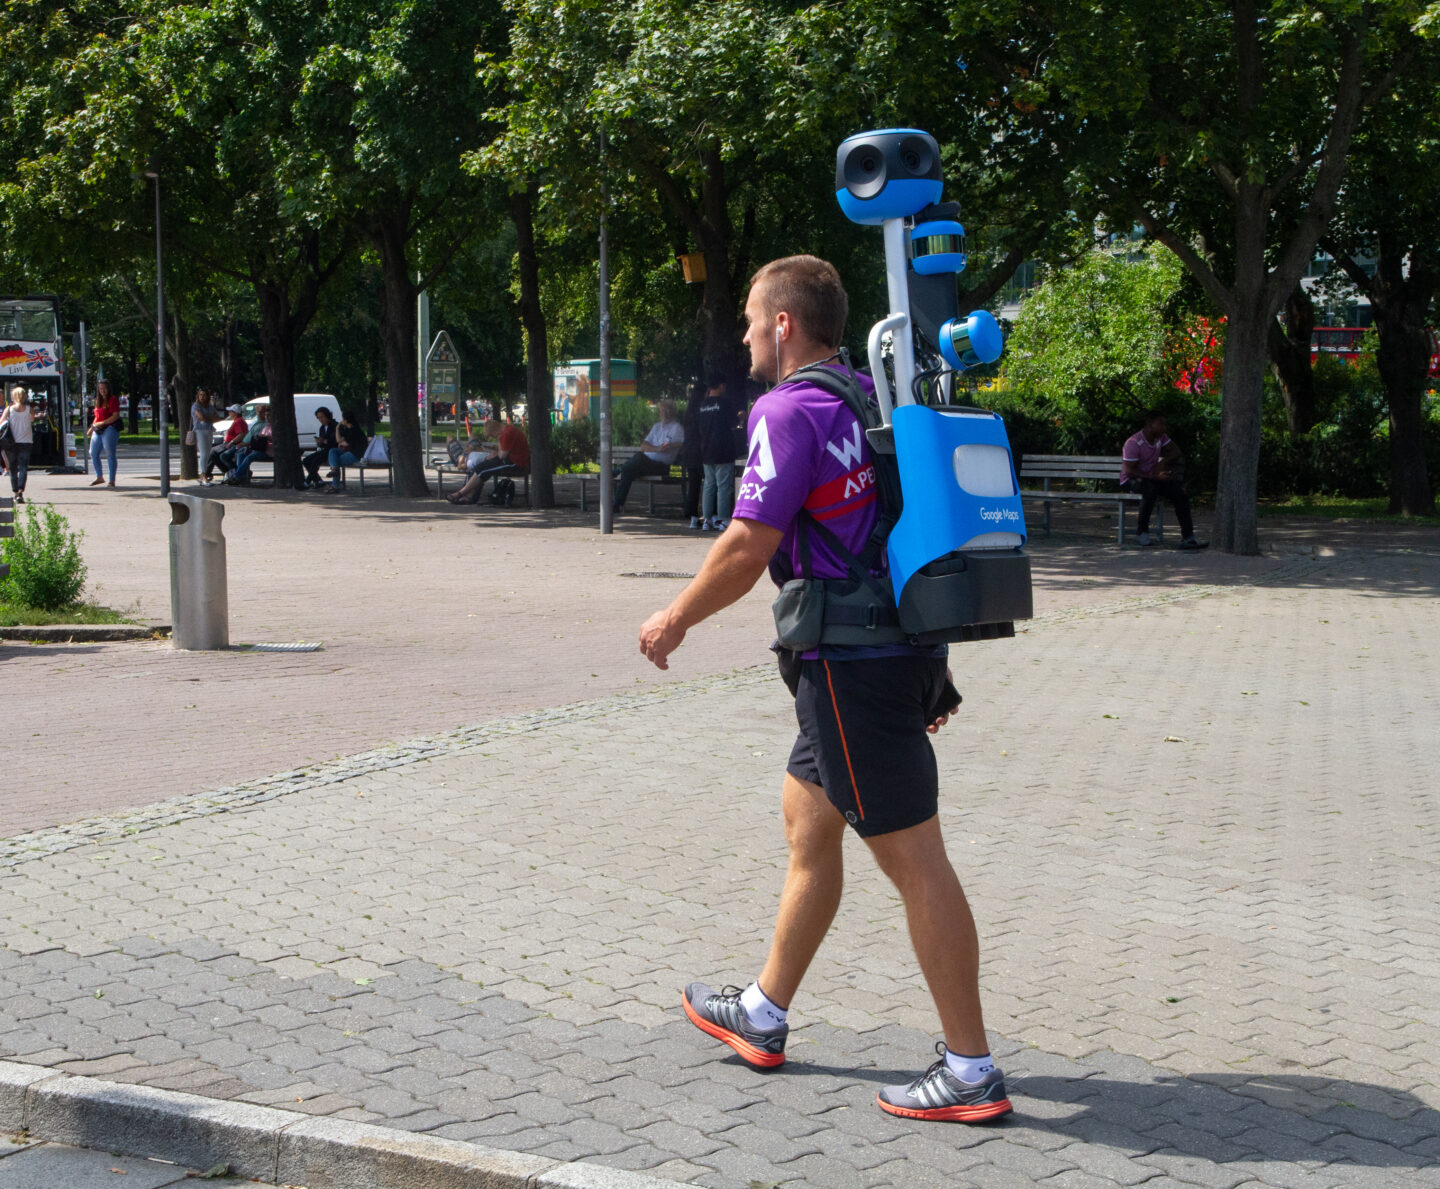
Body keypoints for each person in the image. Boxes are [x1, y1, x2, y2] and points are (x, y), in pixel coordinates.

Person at [638, 255, 1012, 1124]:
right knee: (808, 822)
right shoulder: (876, 398)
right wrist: (930, 662)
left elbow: (748, 543)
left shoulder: (787, 410)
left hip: (850, 668)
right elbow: (892, 526)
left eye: (749, 320)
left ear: (784, 325)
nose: (743, 337)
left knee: (916, 861)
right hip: (887, 652)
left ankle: (971, 1069)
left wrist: (675, 617)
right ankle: (763, 1012)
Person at [1120, 410, 1207, 549]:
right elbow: (1129, 471)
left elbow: (1176, 451)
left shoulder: (1161, 438)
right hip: (1131, 480)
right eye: (1161, 424)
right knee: (1150, 491)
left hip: (1152, 478)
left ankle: (1188, 537)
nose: (1164, 428)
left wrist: (1162, 463)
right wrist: (1153, 476)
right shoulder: (1134, 442)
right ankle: (1142, 531)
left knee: (1179, 493)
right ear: (1150, 424)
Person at [613, 398, 683, 514]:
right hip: (646, 463)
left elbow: (679, 444)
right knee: (628, 471)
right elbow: (644, 445)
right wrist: (657, 448)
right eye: (662, 410)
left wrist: (666, 446)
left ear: (671, 412)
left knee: (635, 462)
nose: (663, 413)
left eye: (666, 411)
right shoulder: (656, 426)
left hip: (662, 466)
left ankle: (618, 472)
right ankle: (616, 504)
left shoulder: (677, 428)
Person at [447, 417, 530, 504]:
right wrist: (496, 449)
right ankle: (468, 496)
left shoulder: (506, 434)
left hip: (516, 463)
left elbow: (501, 456)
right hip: (511, 460)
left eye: (492, 435)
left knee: (483, 470)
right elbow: (504, 452)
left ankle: (461, 493)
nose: (494, 437)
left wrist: (498, 444)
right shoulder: (508, 430)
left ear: (494, 430)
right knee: (481, 467)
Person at [695, 378, 741, 531]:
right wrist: (741, 417)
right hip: (723, 449)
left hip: (706, 449)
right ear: (721, 385)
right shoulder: (724, 403)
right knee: (723, 486)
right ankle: (722, 519)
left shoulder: (703, 404)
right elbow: (733, 424)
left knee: (708, 485)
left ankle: (707, 519)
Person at [0, 386, 34, 504]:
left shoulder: (9, 410)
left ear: (14, 396)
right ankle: (20, 491)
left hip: (11, 443)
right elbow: (32, 420)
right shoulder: (30, 409)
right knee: (23, 467)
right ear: (24, 397)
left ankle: (15, 492)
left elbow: (1, 423)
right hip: (26, 442)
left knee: (13, 468)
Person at [223, 405, 272, 484]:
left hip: (267, 451)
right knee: (240, 454)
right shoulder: (264, 426)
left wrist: (266, 438)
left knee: (248, 456)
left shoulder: (270, 426)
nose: (266, 417)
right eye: (266, 415)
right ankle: (240, 476)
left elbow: (274, 440)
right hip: (256, 448)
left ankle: (236, 476)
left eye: (268, 415)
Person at [88, 379, 122, 488]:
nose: (102, 391)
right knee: (93, 452)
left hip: (110, 428)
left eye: (104, 388)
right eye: (100, 388)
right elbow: (97, 416)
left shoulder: (112, 400)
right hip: (98, 429)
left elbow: (115, 415)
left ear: (108, 389)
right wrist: (92, 428)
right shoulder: (98, 400)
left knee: (109, 453)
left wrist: (103, 423)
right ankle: (99, 477)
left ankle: (112, 480)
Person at [325, 410, 368, 492]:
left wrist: (341, 443)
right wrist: (337, 428)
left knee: (336, 462)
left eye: (342, 419)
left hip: (356, 454)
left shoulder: (354, 430)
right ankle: (334, 470)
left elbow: (346, 443)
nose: (341, 421)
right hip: (349, 451)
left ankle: (335, 486)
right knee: (332, 451)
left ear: (346, 420)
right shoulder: (347, 429)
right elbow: (338, 440)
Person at [682, 383, 705, 528]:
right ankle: (711, 513)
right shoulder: (702, 410)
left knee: (693, 484)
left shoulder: (689, 412)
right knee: (708, 483)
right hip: (700, 451)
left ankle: (691, 514)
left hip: (689, 451)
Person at [204, 405, 248, 480]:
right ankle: (219, 472)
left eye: (230, 411)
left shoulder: (238, 421)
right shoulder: (240, 420)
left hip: (232, 444)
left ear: (236, 413)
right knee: (215, 453)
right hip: (230, 443)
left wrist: (231, 442)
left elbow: (241, 434)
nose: (229, 413)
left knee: (213, 452)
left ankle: (221, 472)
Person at [190, 389, 223, 485]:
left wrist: (207, 417)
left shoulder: (210, 407)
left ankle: (203, 475)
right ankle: (203, 474)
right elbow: (201, 417)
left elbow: (217, 418)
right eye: (200, 395)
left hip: (209, 430)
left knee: (207, 454)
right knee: (203, 453)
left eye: (204, 395)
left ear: (208, 396)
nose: (202, 397)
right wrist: (209, 418)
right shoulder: (196, 406)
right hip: (199, 431)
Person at [303, 406, 339, 488]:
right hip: (325, 450)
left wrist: (325, 441)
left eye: (322, 417)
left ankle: (307, 481)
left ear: (327, 416)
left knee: (315, 461)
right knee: (306, 460)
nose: (321, 419)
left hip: (332, 450)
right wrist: (320, 442)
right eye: (318, 418)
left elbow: (335, 441)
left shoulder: (334, 426)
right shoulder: (322, 428)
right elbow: (323, 444)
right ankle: (318, 480)